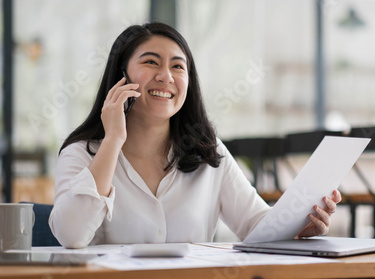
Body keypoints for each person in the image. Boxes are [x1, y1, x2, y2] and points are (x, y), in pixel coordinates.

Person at [49, 22, 341, 248]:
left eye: (178, 66)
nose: (166, 76)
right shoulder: (81, 153)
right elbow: (71, 236)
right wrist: (112, 140)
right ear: (120, 75)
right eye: (151, 62)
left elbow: (256, 226)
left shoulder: (208, 152)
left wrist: (301, 227)